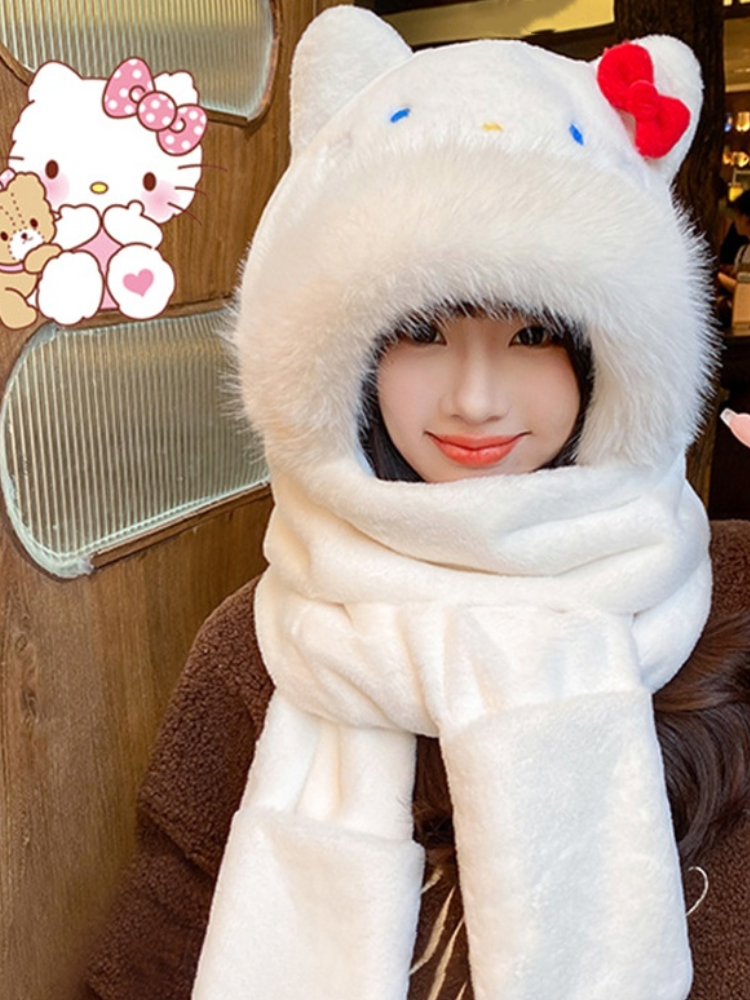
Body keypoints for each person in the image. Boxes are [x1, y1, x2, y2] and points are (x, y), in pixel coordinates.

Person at [85, 9, 750, 1000]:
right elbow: (144, 963)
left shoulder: (725, 601)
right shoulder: (259, 646)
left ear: (614, 361)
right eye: (425, 330)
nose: (476, 400)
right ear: (344, 356)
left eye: (534, 334)